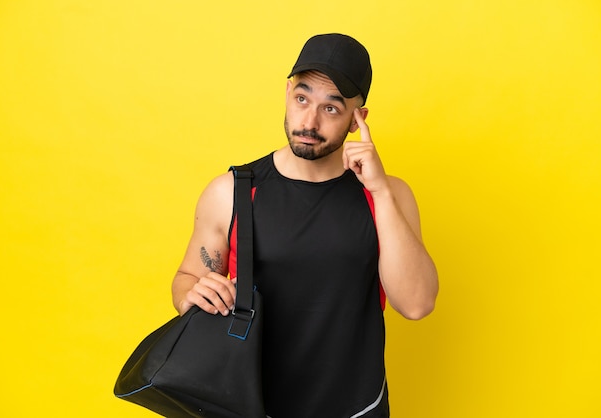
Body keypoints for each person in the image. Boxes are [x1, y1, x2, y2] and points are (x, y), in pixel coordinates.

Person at [172, 33, 438, 418]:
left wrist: (379, 190)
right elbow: (186, 277)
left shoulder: (388, 195)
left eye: (331, 108)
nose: (309, 121)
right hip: (250, 405)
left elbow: (416, 304)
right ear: (287, 93)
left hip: (357, 407)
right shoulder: (231, 192)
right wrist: (190, 297)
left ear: (357, 119)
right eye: (302, 98)